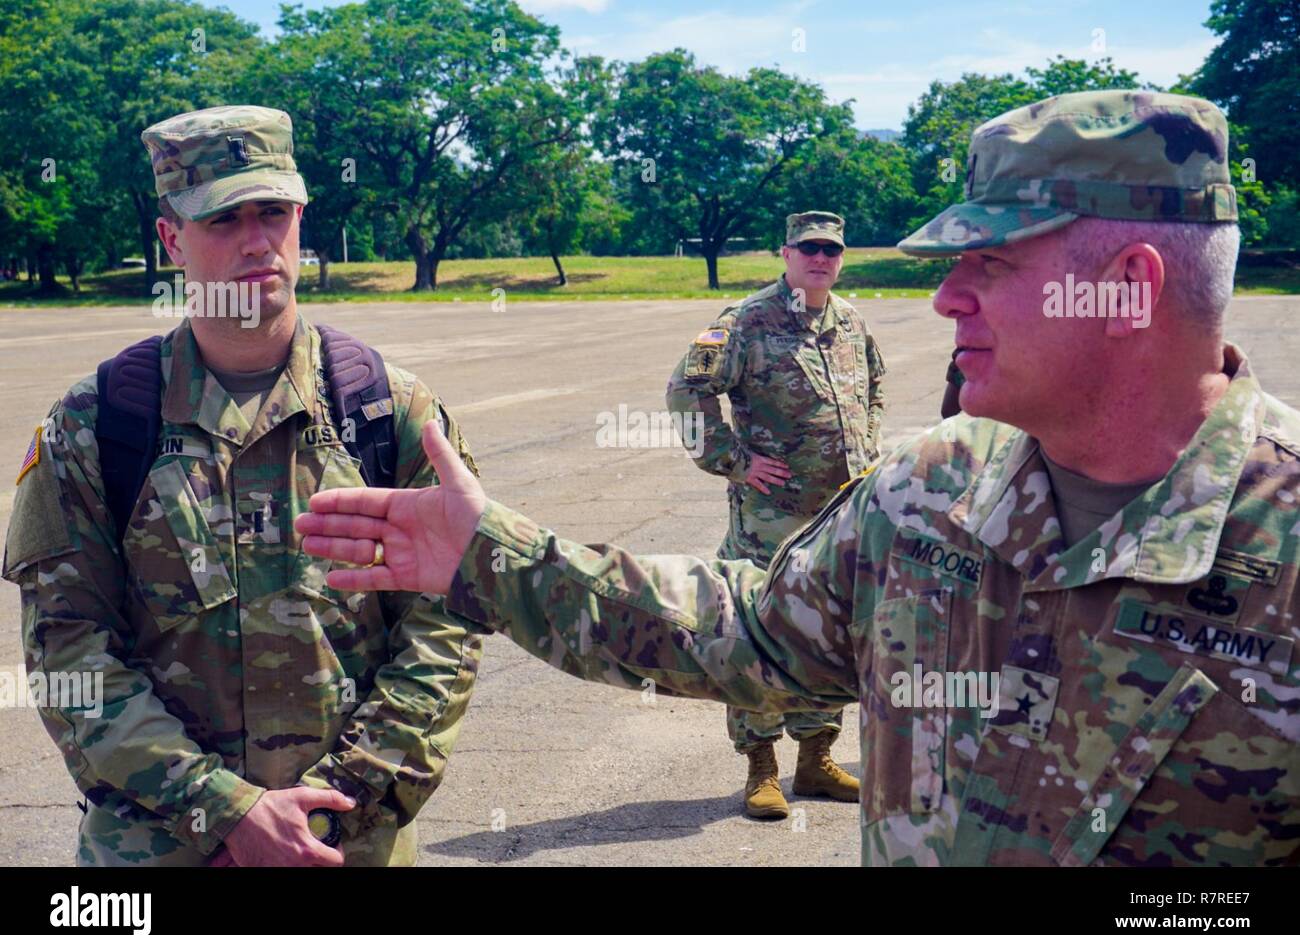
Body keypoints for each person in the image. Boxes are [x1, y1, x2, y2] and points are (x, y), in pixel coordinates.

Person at [297, 91, 1299, 866]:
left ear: (1126, 288)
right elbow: (746, 628)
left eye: (989, 265)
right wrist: (495, 558)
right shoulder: (932, 488)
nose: (946, 296)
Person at [2, 105, 486, 866]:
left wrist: (336, 809)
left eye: (274, 211)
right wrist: (222, 813)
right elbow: (69, 654)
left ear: (300, 216)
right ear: (171, 239)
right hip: (159, 844)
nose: (257, 240)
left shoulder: (387, 410)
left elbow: (446, 630)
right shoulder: (98, 423)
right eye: (223, 219)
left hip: (346, 841)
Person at [665, 210, 884, 818]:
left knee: (834, 631)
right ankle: (760, 765)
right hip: (770, 518)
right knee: (759, 631)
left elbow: (874, 389)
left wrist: (867, 453)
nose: (821, 259)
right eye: (809, 248)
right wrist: (734, 461)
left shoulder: (851, 322)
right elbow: (685, 392)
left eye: (831, 250)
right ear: (785, 253)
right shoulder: (745, 322)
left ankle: (816, 758)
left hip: (840, 513)